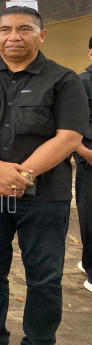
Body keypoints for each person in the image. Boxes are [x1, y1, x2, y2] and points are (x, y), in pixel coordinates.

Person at [0, 6, 88, 345]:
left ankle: (39, 343)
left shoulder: (64, 80)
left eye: (25, 29)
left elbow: (69, 137)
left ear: (41, 35)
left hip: (45, 195)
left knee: (44, 277)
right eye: (6, 29)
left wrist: (22, 174)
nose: (15, 36)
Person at [74, 36, 92, 293]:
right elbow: (72, 125)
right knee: (90, 216)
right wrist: (84, 152)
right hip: (90, 159)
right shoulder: (82, 82)